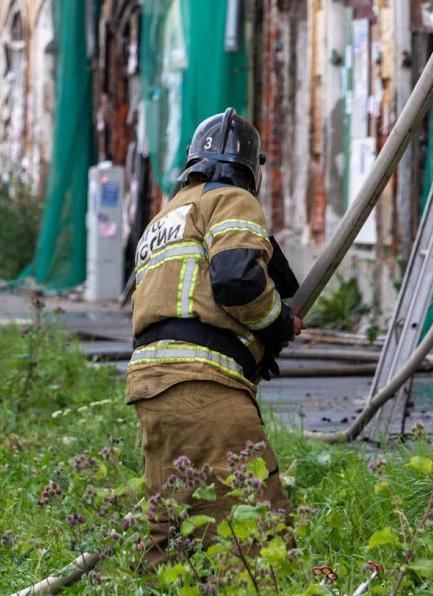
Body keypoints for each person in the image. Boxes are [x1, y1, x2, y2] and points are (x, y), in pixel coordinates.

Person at [126, 108, 304, 564]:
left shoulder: (164, 218)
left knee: (169, 540)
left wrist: (252, 348)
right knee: (259, 537)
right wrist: (279, 324)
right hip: (203, 385)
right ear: (250, 168)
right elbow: (237, 282)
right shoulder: (232, 200)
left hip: (151, 389)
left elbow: (182, 300)